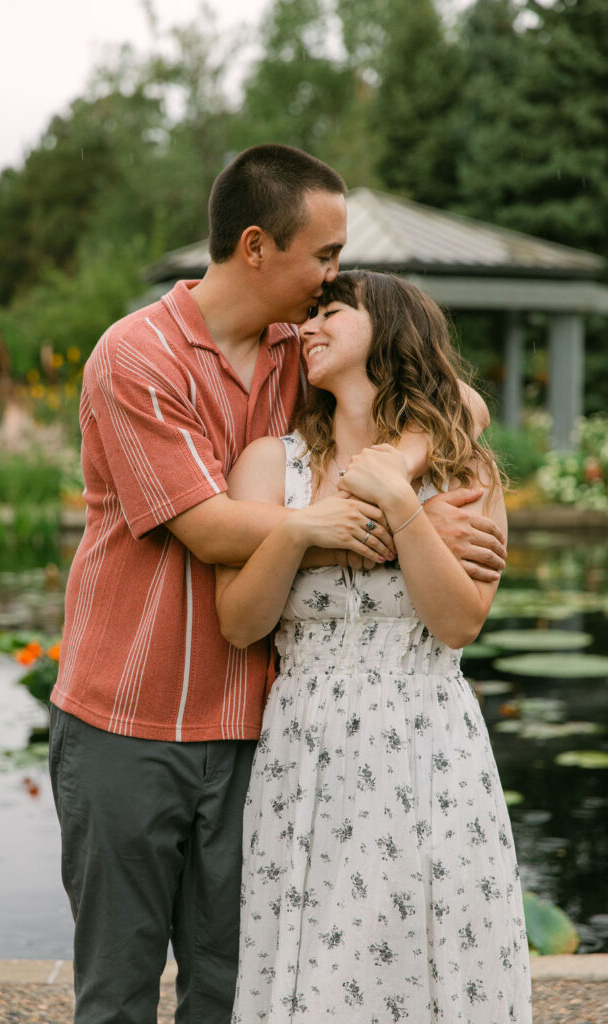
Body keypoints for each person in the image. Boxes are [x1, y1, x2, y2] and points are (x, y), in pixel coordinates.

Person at [49, 145, 507, 1024]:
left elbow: (461, 404)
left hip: (258, 724)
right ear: (256, 246)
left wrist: (393, 471)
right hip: (130, 717)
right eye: (324, 256)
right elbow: (210, 526)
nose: (334, 275)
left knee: (234, 987)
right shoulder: (136, 356)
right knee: (117, 990)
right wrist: (391, 532)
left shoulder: (303, 348)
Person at [216, 270, 532, 1023]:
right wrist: (298, 530)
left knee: (433, 959)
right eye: (309, 313)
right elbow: (238, 621)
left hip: (432, 751)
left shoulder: (464, 469)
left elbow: (458, 623)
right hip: (306, 753)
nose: (309, 326)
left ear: (387, 331)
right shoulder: (272, 464)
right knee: (318, 969)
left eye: (333, 311)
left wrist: (397, 498)